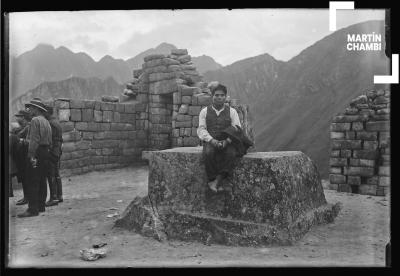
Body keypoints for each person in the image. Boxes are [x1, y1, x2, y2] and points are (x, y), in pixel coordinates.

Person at [197, 83, 242, 192]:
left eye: (222, 95)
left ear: (225, 97)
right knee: (208, 153)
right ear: (212, 97)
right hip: (211, 140)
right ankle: (212, 179)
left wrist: (227, 141)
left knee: (231, 154)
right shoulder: (204, 112)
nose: (219, 97)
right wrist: (211, 140)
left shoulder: (232, 111)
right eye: (217, 95)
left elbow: (237, 128)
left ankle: (218, 180)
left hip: (228, 140)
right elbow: (201, 129)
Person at [17, 98, 52, 218]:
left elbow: (34, 140)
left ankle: (32, 209)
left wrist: (31, 155)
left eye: (31, 108)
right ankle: (41, 206)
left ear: (36, 109)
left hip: (37, 151)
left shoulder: (35, 120)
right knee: (42, 178)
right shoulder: (46, 121)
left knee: (32, 179)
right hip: (45, 152)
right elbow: (50, 140)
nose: (29, 110)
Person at [44, 105, 64, 206]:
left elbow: (50, 139)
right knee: (56, 174)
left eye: (44, 112)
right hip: (57, 151)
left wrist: (48, 150)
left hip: (52, 152)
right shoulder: (56, 122)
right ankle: (59, 195)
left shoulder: (50, 123)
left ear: (47, 112)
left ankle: (53, 197)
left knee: (51, 174)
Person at [14, 110, 32, 205]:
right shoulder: (21, 127)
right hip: (21, 156)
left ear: (23, 117)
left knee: (26, 177)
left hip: (26, 155)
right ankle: (26, 197)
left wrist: (20, 139)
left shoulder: (28, 127)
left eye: (18, 116)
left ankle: (27, 198)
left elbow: (29, 140)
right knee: (23, 177)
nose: (17, 118)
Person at [9, 122, 21, 197]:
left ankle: (10, 192)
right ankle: (10, 192)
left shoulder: (13, 137)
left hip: (12, 160)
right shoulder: (14, 136)